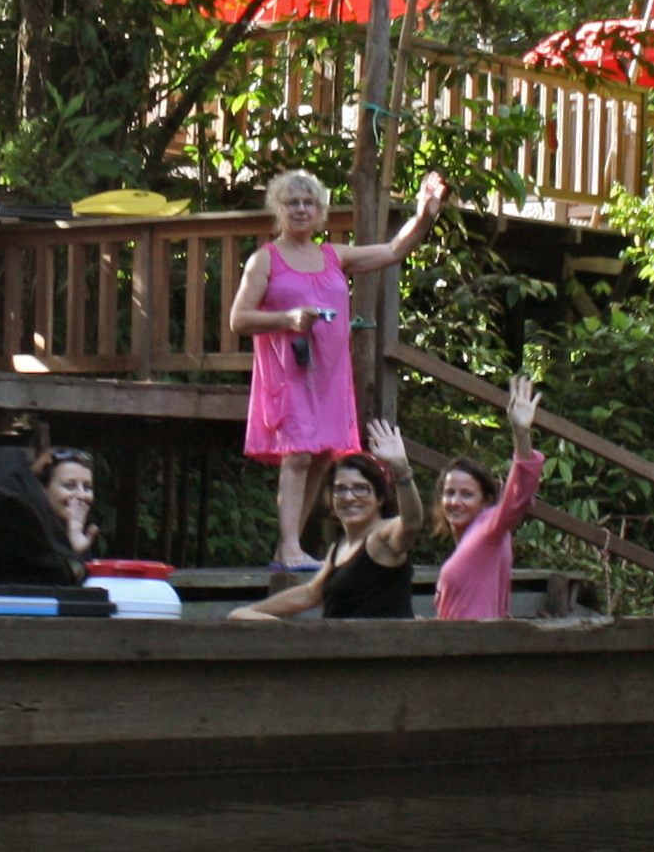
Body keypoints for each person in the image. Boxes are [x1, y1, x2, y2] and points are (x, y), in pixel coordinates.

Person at [230, 167, 451, 571]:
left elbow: (393, 251)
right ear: (278, 209)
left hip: (330, 373)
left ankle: (288, 550)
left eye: (308, 202)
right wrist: (287, 318)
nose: (300, 209)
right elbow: (238, 320)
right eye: (292, 202)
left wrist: (424, 214)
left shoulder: (335, 255)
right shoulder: (265, 260)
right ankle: (291, 546)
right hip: (290, 370)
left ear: (320, 211)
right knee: (296, 456)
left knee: (319, 457)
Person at [231, 417, 425, 621]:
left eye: (360, 488)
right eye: (340, 489)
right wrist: (253, 611)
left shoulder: (383, 536)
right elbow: (310, 593)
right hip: (338, 644)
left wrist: (401, 472)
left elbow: (411, 523)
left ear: (380, 498)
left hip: (379, 647)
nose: (349, 497)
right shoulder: (340, 547)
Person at [431, 374, 545, 622]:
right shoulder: (469, 540)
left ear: (485, 501)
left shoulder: (489, 530)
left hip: (477, 650)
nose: (455, 501)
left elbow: (519, 495)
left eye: (467, 494)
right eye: (450, 493)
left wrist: (521, 434)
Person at [40, 446, 101, 567]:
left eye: (87, 487)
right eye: (70, 486)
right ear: (43, 490)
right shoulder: (30, 535)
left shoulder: (82, 535)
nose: (81, 495)